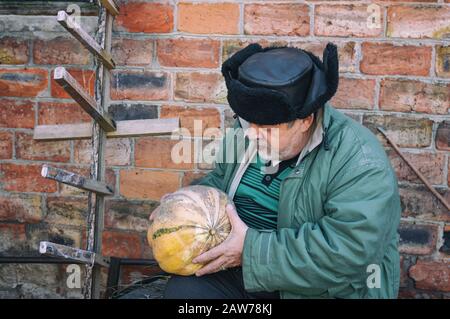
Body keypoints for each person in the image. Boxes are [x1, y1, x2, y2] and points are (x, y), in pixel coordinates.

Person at [159, 42, 401, 299]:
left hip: (319, 289)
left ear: (305, 120)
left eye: (266, 127)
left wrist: (249, 251)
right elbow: (221, 180)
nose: (252, 134)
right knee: (183, 294)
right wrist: (186, 207)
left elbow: (349, 252)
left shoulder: (360, 161)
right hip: (246, 270)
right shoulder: (249, 131)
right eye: (248, 122)